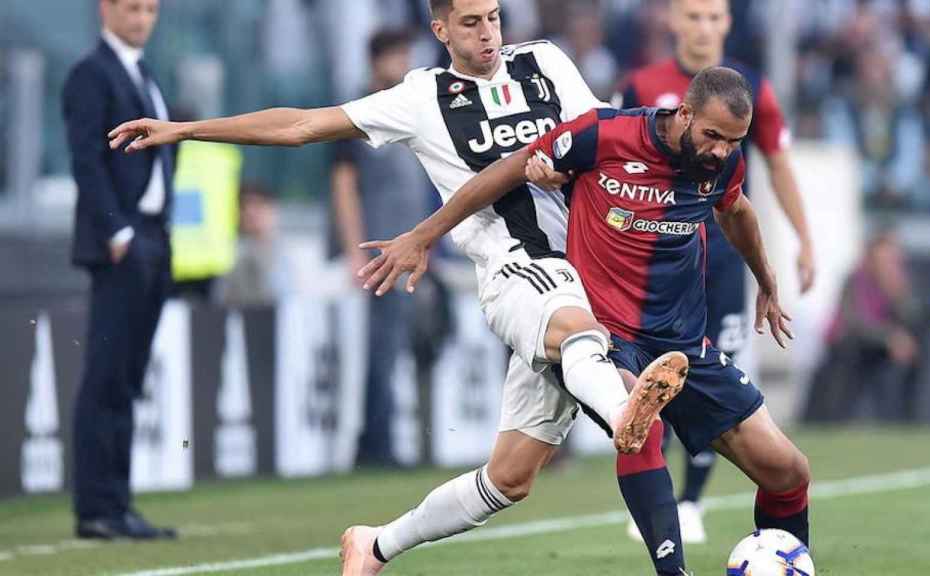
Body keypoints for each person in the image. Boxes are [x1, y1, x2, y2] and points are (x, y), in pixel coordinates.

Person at [107, 1, 687, 573]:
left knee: (510, 478)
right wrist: (187, 129)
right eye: (470, 23)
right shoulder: (418, 99)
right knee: (589, 348)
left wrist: (581, 172)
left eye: (494, 18)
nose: (487, 33)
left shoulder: (547, 63)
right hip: (517, 270)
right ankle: (622, 410)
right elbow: (304, 124)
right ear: (439, 30)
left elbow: (605, 141)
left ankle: (375, 544)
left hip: (588, 269)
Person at [362, 66, 812, 576]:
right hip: (603, 335)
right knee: (639, 422)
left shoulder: (721, 165)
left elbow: (737, 213)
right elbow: (504, 172)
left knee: (787, 472)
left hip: (685, 345)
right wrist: (425, 235)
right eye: (712, 136)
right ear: (684, 113)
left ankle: (376, 545)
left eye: (733, 142)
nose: (720, 151)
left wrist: (768, 280)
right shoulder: (605, 134)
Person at [611, 0, 815, 543]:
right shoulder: (640, 84)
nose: (703, 26)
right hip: (651, 261)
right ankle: (658, 488)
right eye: (693, 16)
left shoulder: (753, 89)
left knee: (710, 366)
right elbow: (605, 156)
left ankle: (691, 501)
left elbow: (778, 162)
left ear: (727, 23)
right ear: (673, 21)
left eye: (714, 16)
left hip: (719, 257)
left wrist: (803, 239)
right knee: (652, 378)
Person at [62, 0, 176, 540]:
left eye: (151, 9)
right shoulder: (91, 74)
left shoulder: (144, 73)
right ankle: (96, 507)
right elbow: (86, 158)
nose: (142, 18)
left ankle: (119, 502)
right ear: (106, 9)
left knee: (128, 376)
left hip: (153, 237)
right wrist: (117, 231)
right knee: (106, 375)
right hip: (124, 242)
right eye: (132, 7)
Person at [328, 28, 433, 466]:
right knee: (381, 347)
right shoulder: (357, 114)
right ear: (376, 61)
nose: (404, 63)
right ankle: (375, 444)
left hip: (412, 248)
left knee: (410, 343)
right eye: (397, 55)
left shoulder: (410, 112)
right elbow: (344, 183)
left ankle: (396, 440)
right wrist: (354, 248)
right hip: (378, 251)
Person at [803, 230, 922, 422]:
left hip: (879, 348)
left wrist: (898, 294)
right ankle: (837, 418)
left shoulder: (899, 282)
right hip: (848, 344)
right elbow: (855, 322)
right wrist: (890, 338)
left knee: (910, 354)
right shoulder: (854, 280)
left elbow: (910, 318)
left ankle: (900, 418)